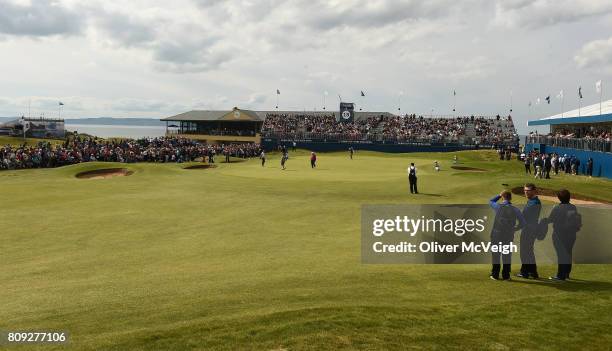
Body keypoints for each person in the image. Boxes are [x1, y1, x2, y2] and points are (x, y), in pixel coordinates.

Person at [542, 189, 581, 281]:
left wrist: (544, 220)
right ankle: (566, 273)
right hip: (571, 235)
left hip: (560, 235)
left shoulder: (557, 208)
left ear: (559, 198)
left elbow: (550, 219)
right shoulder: (573, 207)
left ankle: (560, 276)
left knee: (561, 255)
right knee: (568, 253)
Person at [488, 191, 526, 280]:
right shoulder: (515, 209)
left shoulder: (498, 207)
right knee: (507, 255)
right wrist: (514, 229)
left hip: (496, 234)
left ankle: (495, 274)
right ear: (510, 198)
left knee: (496, 255)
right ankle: (506, 275)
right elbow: (523, 223)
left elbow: (491, 201)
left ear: (502, 198)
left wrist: (499, 195)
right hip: (508, 235)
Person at [517, 183, 542, 279]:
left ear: (534, 191)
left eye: (528, 190)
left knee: (525, 251)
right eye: (525, 190)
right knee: (528, 251)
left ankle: (524, 272)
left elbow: (524, 216)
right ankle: (533, 272)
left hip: (529, 230)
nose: (526, 192)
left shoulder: (534, 203)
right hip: (530, 229)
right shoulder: (532, 201)